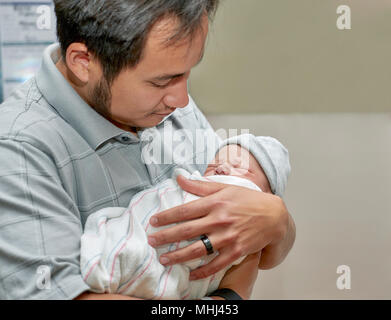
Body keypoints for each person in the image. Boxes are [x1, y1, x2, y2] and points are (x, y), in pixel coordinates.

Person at [0, 0, 296, 300]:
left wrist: (277, 221)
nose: (181, 100)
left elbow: (256, 245)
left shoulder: (166, 108)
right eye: (162, 81)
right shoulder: (18, 149)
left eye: (186, 73)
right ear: (83, 62)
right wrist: (228, 298)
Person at [80, 134, 291, 300]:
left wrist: (277, 216)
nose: (222, 167)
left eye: (239, 168)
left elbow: (266, 243)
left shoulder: (184, 115)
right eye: (216, 161)